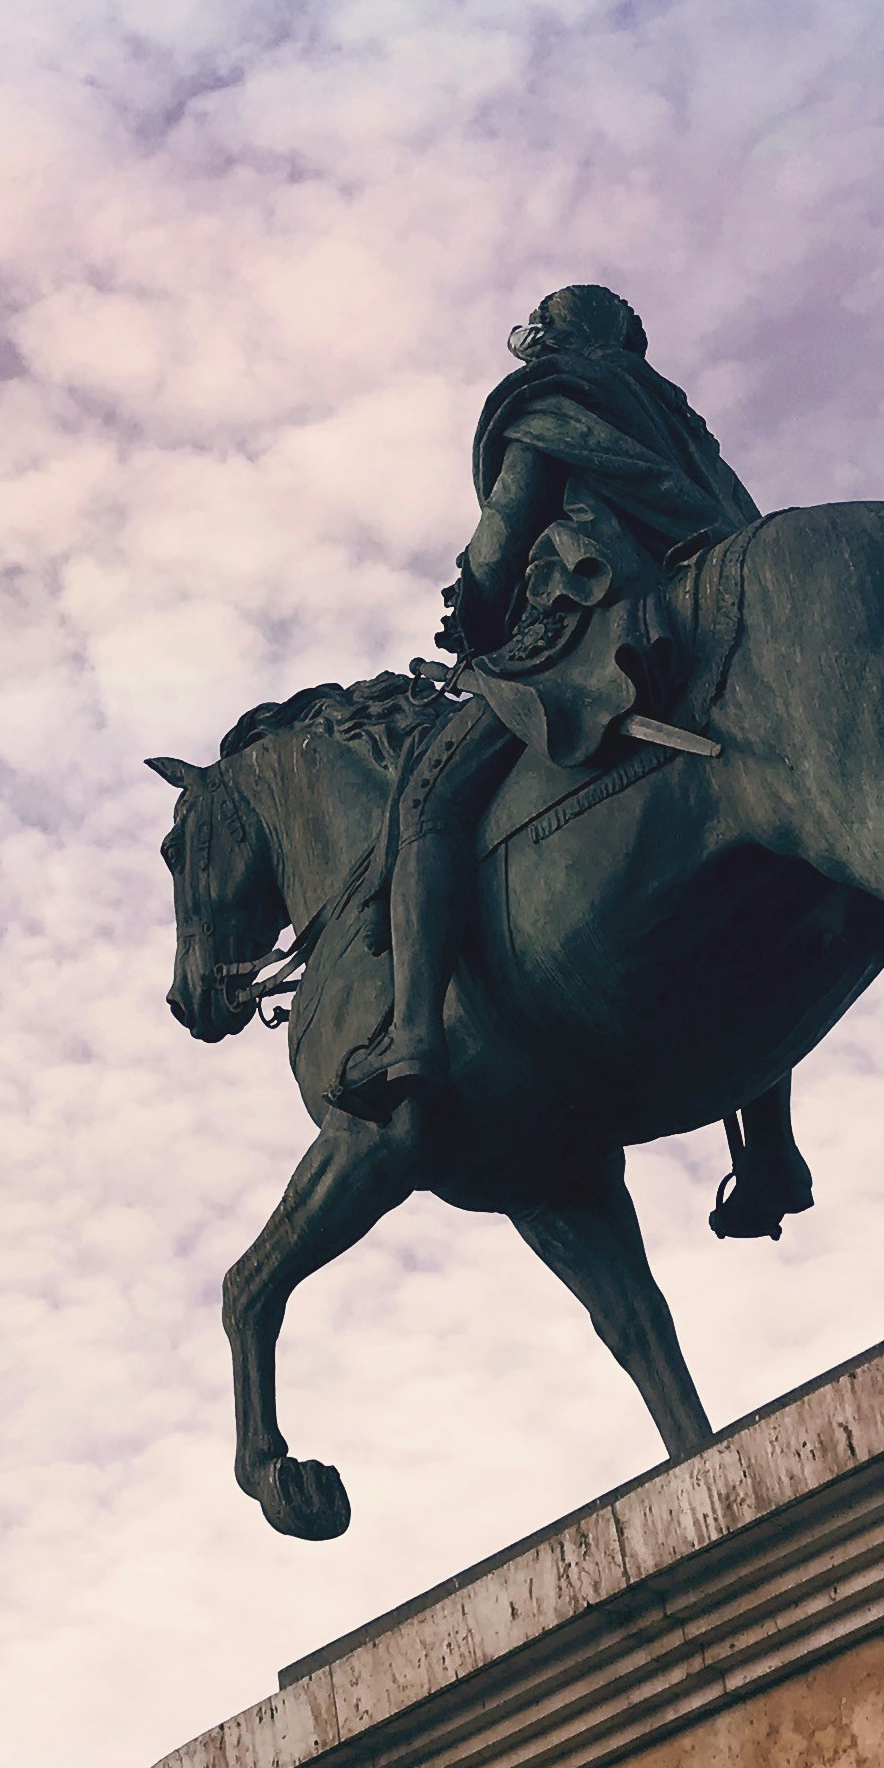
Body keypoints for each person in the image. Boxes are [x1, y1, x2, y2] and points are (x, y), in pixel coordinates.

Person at [336, 287, 762, 1139]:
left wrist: (476, 610)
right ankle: (769, 1144)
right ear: (630, 337)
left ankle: (415, 1034)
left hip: (584, 624)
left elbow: (503, 531)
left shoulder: (547, 399)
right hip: (706, 606)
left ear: (549, 337)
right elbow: (730, 514)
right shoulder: (673, 413)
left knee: (425, 801)